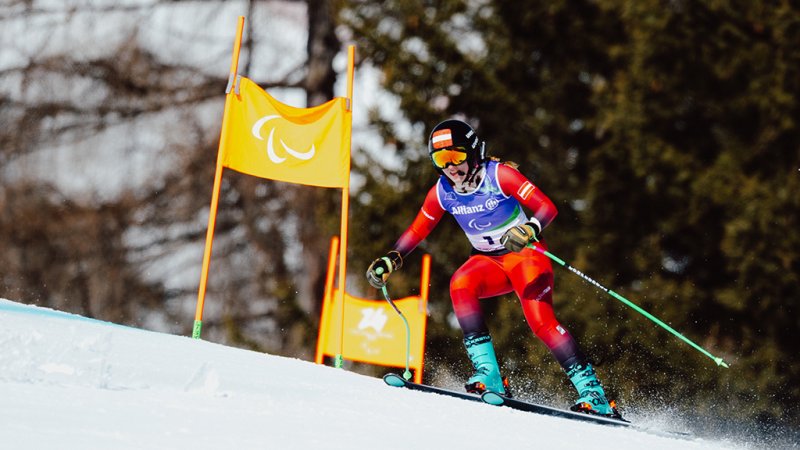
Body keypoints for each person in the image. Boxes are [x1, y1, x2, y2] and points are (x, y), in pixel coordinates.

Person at [366, 118, 621, 418]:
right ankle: (489, 375)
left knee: (540, 321)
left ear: (473, 153)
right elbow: (418, 230)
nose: (451, 167)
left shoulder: (499, 176)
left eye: (456, 156)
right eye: (441, 159)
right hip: (489, 262)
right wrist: (392, 257)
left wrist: (530, 229)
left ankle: (594, 394)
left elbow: (547, 208)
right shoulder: (442, 192)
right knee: (460, 283)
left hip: (526, 258)